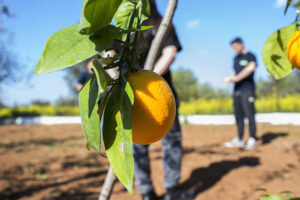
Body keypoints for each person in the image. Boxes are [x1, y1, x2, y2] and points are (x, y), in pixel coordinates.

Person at [224, 37, 258, 150]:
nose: (234, 50)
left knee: (250, 114)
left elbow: (251, 67)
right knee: (238, 116)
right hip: (237, 90)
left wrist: (238, 78)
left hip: (247, 89)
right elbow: (235, 71)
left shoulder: (250, 56)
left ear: (241, 44)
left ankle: (252, 138)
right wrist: (232, 77)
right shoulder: (235, 58)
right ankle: (240, 139)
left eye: (235, 47)